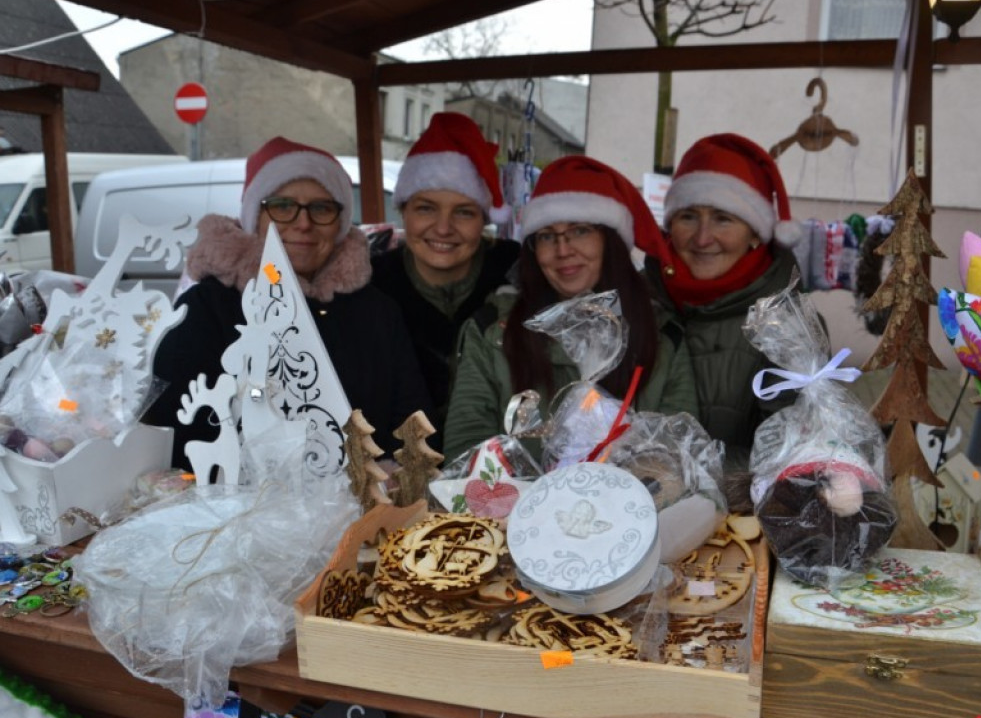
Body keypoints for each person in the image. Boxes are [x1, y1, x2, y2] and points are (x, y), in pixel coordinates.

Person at [147, 136, 433, 469]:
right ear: (257, 217)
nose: (303, 223)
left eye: (321, 208)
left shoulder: (377, 312)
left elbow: (411, 416)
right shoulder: (208, 308)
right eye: (282, 206)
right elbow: (171, 428)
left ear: (340, 222)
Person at [443, 155, 697, 462]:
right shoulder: (492, 333)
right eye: (547, 236)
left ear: (610, 241)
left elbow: (677, 457)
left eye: (579, 231)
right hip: (512, 509)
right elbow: (466, 448)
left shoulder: (662, 337)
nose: (563, 250)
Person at [634, 133, 803, 476]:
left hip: (735, 522)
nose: (702, 237)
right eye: (688, 217)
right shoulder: (637, 301)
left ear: (755, 232)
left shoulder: (786, 325)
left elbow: (784, 454)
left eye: (723, 218)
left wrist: (678, 478)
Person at [372, 112, 519, 440]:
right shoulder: (372, 285)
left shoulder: (519, 278)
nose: (442, 228)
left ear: (484, 220)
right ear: (403, 211)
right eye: (426, 208)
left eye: (464, 212)